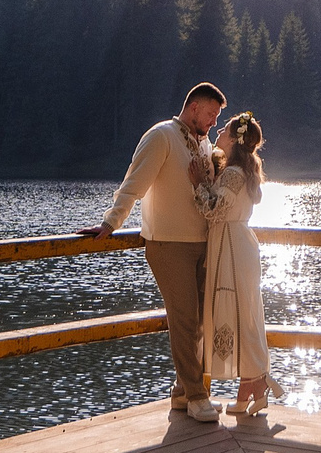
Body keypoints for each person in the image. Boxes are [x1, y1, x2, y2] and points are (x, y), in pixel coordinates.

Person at [92, 81, 226, 421]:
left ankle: (182, 392)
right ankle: (198, 396)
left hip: (202, 243)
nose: (213, 122)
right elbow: (133, 184)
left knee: (198, 323)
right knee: (183, 319)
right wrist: (111, 222)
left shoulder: (203, 142)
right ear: (194, 107)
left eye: (216, 117)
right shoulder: (161, 136)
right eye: (211, 114)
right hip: (168, 244)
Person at [197, 113, 275, 417]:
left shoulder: (232, 174)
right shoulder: (240, 170)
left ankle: (253, 386)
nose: (219, 133)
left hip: (230, 244)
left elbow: (213, 212)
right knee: (246, 314)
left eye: (225, 130)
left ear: (234, 139)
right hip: (239, 244)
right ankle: (251, 388)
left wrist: (197, 185)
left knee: (237, 312)